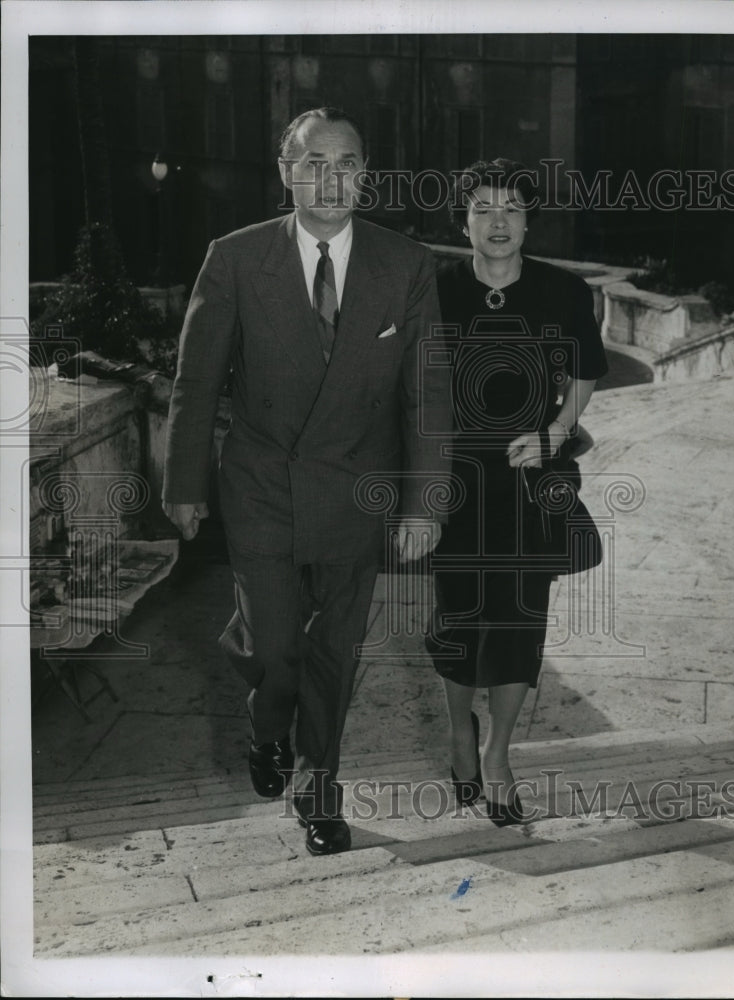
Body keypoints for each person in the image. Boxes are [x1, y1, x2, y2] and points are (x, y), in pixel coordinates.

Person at [163, 107, 451, 855]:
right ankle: (269, 729)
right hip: (262, 485)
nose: (331, 179)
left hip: (359, 492)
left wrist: (424, 503)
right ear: (286, 173)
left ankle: (318, 786)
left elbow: (427, 393)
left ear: (366, 174)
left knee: (334, 651)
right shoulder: (235, 258)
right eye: (314, 163)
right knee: (276, 648)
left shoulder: (405, 264)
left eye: (347, 163)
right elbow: (197, 381)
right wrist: (183, 483)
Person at [426, 158, 608, 825]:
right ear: (464, 222)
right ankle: (459, 731)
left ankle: (498, 754)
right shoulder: (436, 289)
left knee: (520, 622)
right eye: (483, 208)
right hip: (454, 483)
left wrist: (555, 433)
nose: (498, 222)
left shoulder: (564, 290)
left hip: (531, 484)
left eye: (511, 208)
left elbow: (586, 371)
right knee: (457, 618)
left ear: (529, 222)